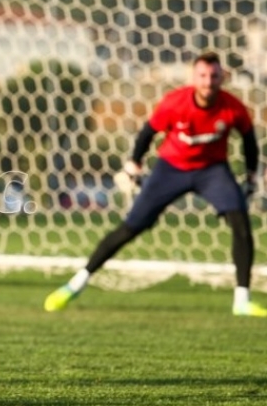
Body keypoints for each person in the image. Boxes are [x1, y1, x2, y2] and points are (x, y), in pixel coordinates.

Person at [44, 52, 266, 317]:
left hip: (212, 171)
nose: (208, 82)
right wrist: (133, 164)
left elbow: (249, 142)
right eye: (203, 76)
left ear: (222, 78)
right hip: (171, 169)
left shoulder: (233, 108)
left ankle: (242, 300)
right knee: (130, 227)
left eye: (214, 76)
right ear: (193, 78)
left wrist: (252, 176)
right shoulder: (175, 103)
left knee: (240, 223)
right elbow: (147, 133)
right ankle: (75, 285)